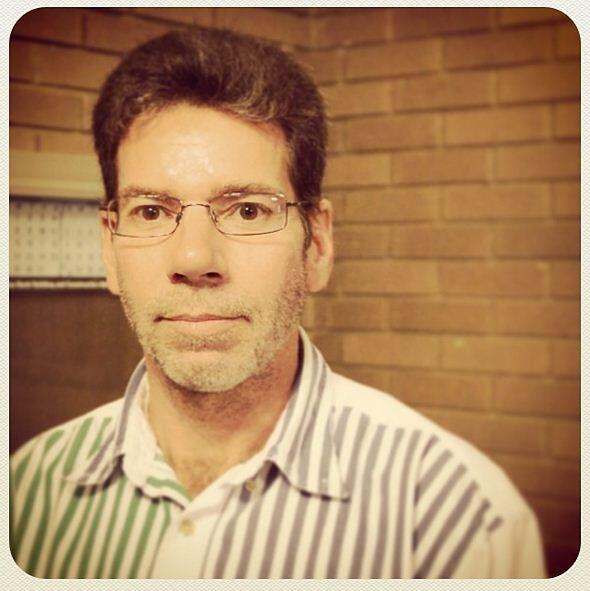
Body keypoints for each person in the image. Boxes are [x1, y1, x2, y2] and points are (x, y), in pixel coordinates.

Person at [10, 25, 546, 579]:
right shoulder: (26, 495)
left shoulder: (459, 525)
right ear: (110, 247)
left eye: (248, 210)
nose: (194, 258)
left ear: (317, 244)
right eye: (151, 211)